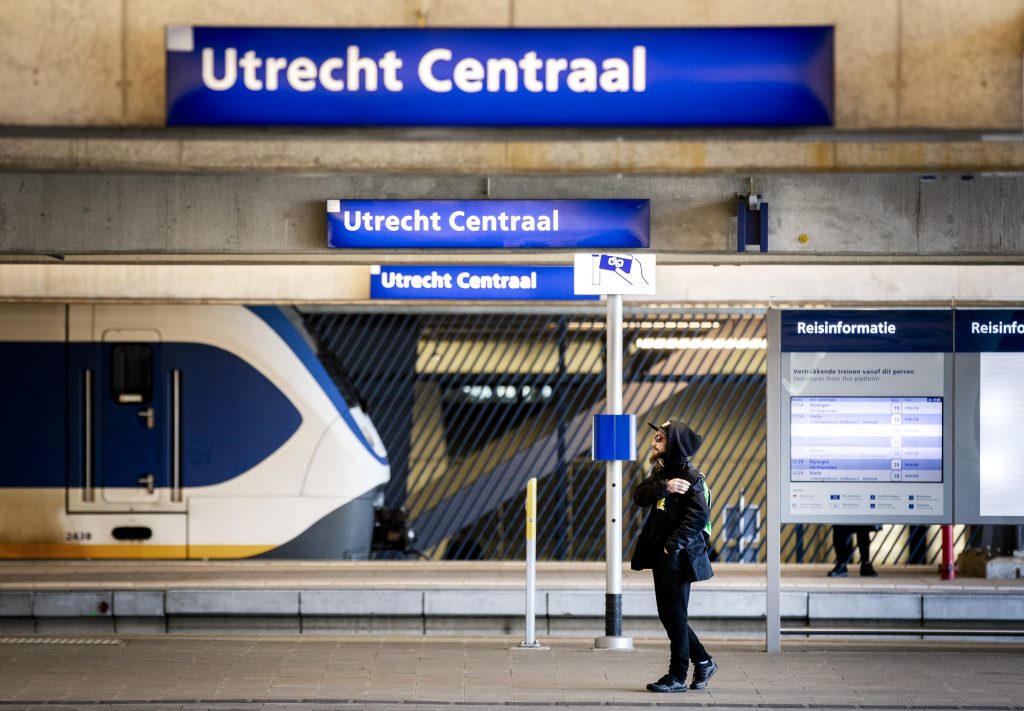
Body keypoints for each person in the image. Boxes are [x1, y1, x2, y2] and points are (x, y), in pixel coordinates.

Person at [630, 420, 717, 693]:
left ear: (674, 444)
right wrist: (664, 487)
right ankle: (703, 661)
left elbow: (698, 517)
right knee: (669, 614)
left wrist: (671, 546)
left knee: (675, 615)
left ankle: (678, 675)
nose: (653, 443)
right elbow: (639, 496)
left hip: (678, 556)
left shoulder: (692, 478)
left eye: (659, 439)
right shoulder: (662, 473)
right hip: (663, 557)